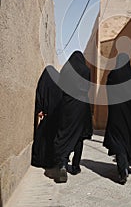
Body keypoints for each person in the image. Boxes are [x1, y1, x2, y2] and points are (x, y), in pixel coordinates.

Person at [103, 53, 131, 184]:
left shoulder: (112, 75)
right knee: (128, 140)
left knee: (119, 142)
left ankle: (122, 170)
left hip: (116, 116)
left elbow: (108, 92)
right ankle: (125, 165)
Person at [54, 51, 93, 183]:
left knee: (65, 133)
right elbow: (88, 87)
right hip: (82, 105)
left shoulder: (66, 69)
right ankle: (75, 166)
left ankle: (63, 164)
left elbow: (60, 87)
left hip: (67, 105)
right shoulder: (86, 70)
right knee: (79, 135)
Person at [31, 65, 63, 169]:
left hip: (47, 116)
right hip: (57, 116)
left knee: (42, 138)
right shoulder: (59, 81)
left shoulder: (44, 81)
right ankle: (52, 160)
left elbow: (40, 94)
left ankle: (40, 160)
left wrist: (40, 109)